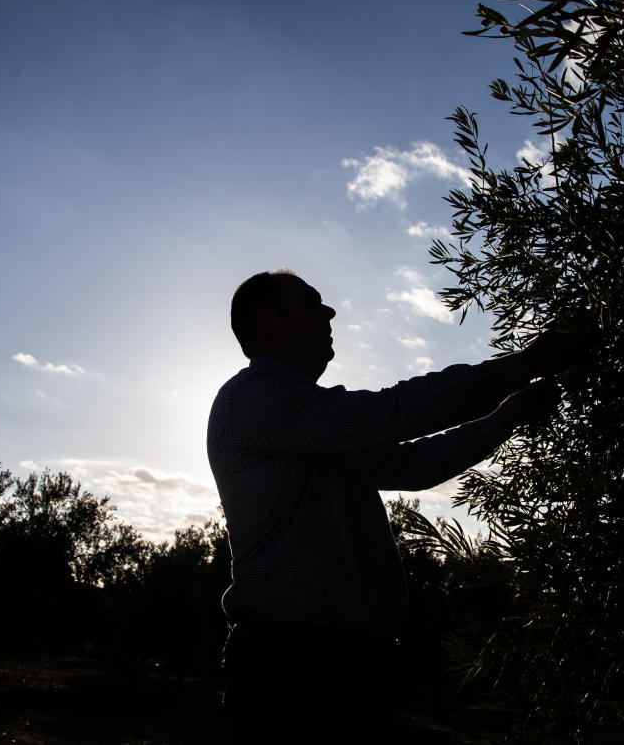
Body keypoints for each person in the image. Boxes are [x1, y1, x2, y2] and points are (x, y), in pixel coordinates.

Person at [207, 269, 584, 743]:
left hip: (337, 665)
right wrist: (525, 364)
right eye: (310, 304)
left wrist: (504, 418)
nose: (329, 312)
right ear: (267, 323)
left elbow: (410, 464)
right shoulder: (254, 399)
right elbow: (393, 411)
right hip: (294, 669)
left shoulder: (316, 420)